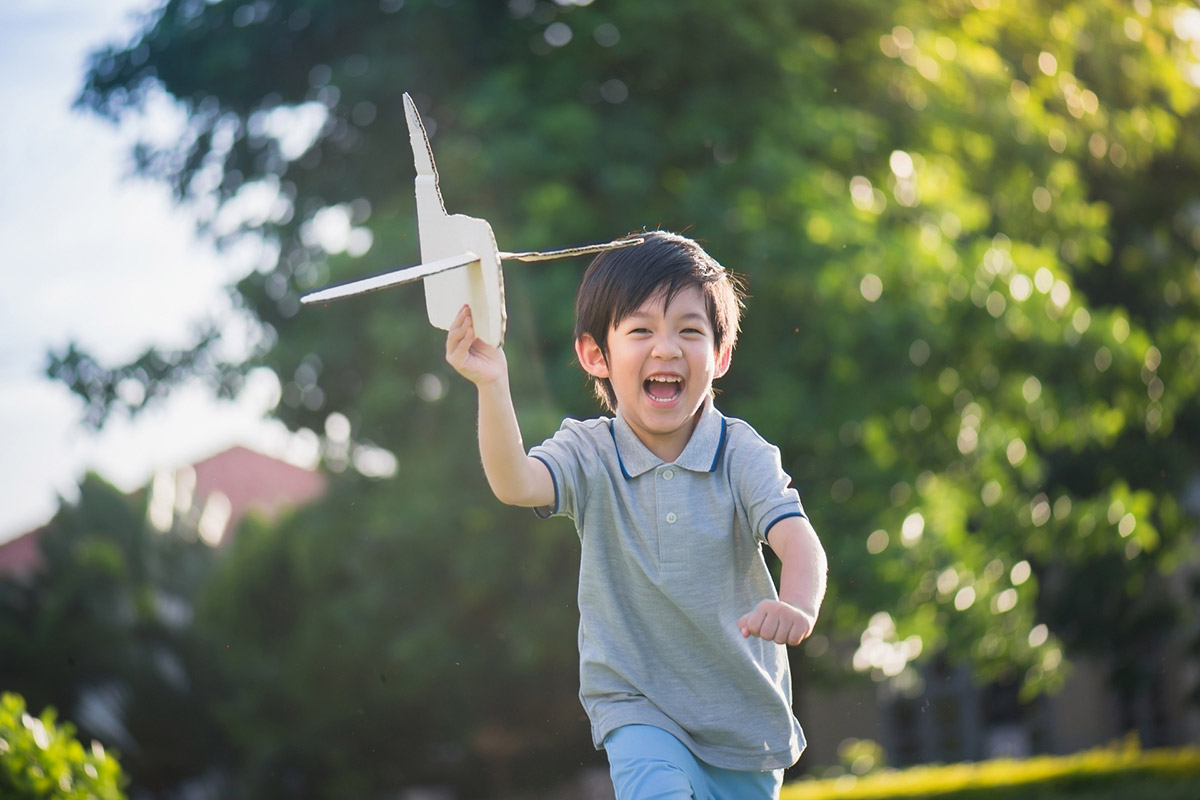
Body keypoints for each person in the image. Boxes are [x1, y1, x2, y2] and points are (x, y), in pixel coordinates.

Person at [445, 230, 827, 799]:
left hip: (741, 721)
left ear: (720, 357)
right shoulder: (589, 451)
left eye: (690, 331)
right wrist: (492, 383)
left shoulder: (742, 453)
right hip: (637, 704)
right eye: (641, 330)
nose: (667, 349)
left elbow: (800, 544)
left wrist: (797, 603)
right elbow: (516, 482)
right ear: (596, 355)